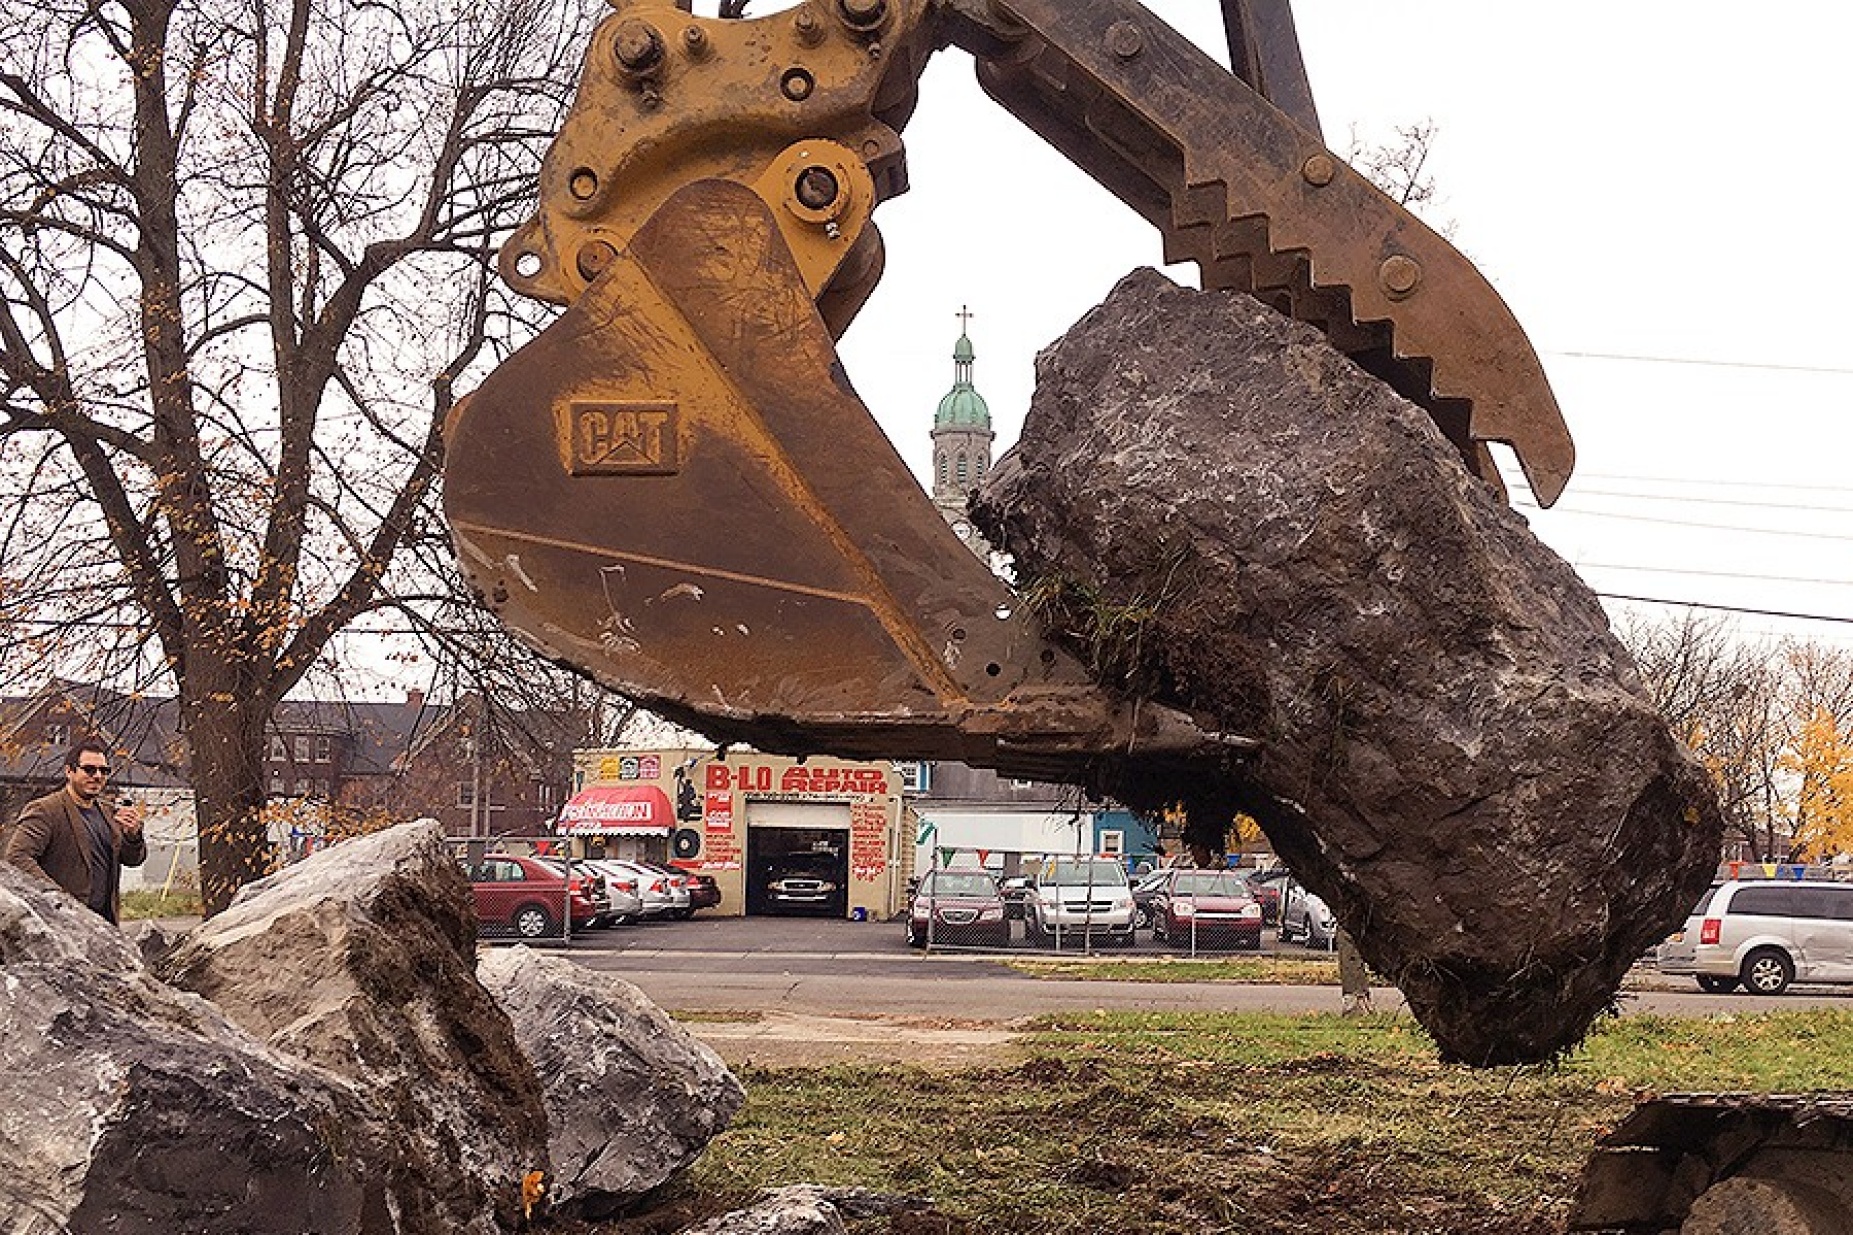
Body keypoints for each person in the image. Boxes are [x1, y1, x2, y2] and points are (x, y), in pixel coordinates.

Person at [4, 736, 146, 924]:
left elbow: (133, 860)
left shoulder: (109, 812)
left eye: (104, 770)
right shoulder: (46, 810)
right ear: (69, 771)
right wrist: (56, 898)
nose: (97, 776)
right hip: (63, 925)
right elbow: (17, 857)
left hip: (105, 925)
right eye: (88, 769)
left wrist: (132, 836)